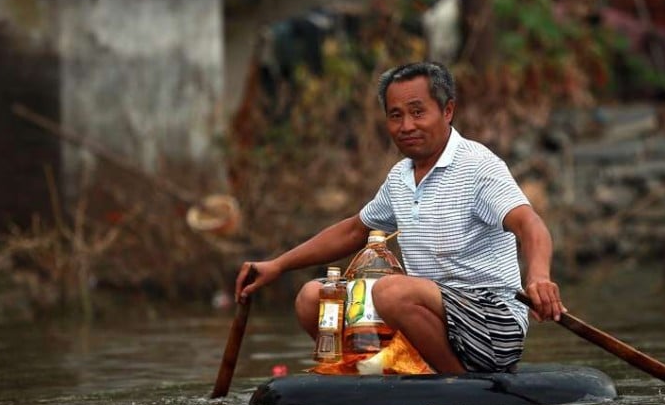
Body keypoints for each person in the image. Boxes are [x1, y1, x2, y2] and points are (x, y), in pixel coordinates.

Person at [235, 62, 564, 374]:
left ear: (447, 111)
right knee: (312, 298)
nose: (406, 126)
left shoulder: (478, 166)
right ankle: (357, 374)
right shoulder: (400, 177)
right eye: (396, 115)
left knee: (392, 291)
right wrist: (277, 265)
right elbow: (354, 230)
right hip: (431, 320)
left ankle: (458, 383)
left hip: (492, 325)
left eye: (418, 112)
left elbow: (529, 224)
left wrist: (538, 276)